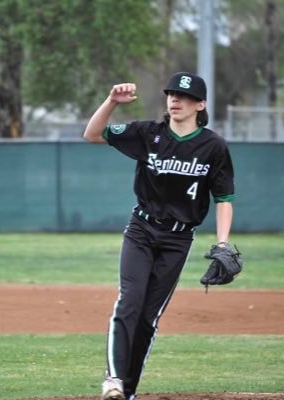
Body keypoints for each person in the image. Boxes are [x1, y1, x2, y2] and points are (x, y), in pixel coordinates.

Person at [83, 71, 235, 400]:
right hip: (141, 229)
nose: (175, 100)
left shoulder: (214, 147)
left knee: (148, 318)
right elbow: (92, 134)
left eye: (184, 96)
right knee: (129, 303)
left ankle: (128, 391)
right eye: (171, 94)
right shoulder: (148, 134)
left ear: (201, 104)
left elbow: (224, 199)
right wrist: (111, 101)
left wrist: (223, 242)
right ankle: (113, 379)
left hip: (178, 241)